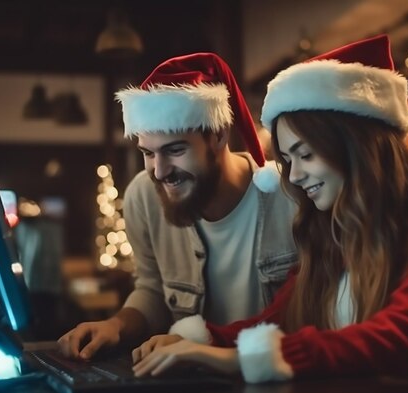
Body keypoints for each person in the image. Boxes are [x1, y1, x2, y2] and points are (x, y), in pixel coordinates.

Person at [129, 35, 408, 393]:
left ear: (355, 145)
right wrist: (202, 339)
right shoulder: (331, 222)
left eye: (306, 155)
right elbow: (280, 318)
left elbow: (397, 338)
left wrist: (234, 359)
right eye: (287, 160)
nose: (296, 176)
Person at [58, 53, 298, 360]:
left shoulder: (290, 194)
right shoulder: (143, 196)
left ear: (219, 135)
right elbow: (153, 289)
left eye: (174, 150)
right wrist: (116, 325)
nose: (159, 171)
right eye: (148, 153)